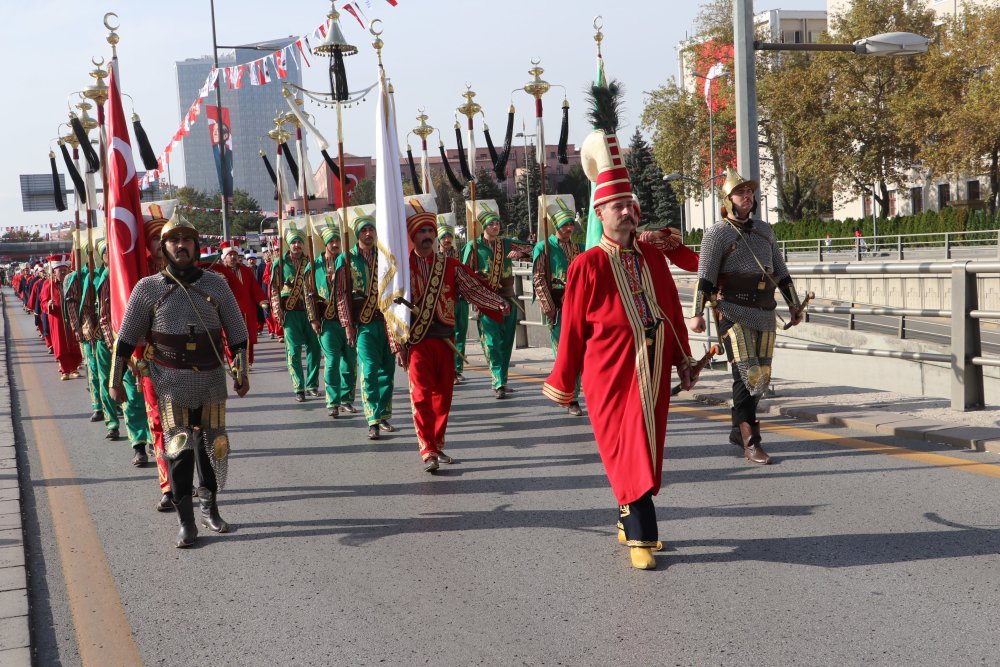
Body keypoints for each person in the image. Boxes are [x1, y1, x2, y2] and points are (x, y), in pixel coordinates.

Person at [544, 116, 694, 571]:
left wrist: (684, 359)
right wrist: (563, 381)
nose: (626, 212)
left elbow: (668, 306)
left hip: (653, 368)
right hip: (610, 374)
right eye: (616, 207)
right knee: (625, 446)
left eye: (629, 204)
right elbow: (571, 328)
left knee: (647, 447)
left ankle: (630, 513)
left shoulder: (651, 255)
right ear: (600, 214)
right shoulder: (586, 265)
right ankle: (642, 536)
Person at [110, 215, 249, 548]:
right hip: (170, 380)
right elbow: (126, 339)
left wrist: (241, 372)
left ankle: (210, 509)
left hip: (212, 379)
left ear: (196, 246)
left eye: (187, 240)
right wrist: (115, 380)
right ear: (164, 247)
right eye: (174, 240)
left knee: (212, 446)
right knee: (179, 448)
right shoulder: (148, 289)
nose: (181, 246)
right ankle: (186, 521)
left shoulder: (216, 284)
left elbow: (238, 333)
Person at [689, 167, 804, 466]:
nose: (747, 196)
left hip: (765, 310)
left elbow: (780, 271)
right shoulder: (717, 233)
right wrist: (697, 313)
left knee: (761, 377)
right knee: (747, 374)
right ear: (728, 199)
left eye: (749, 191)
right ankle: (751, 440)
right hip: (732, 310)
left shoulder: (765, 230)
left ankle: (735, 429)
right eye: (741, 192)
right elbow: (705, 277)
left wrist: (794, 305)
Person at [400, 197, 510, 472]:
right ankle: (427, 450)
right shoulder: (402, 269)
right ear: (413, 236)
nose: (426, 236)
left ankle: (436, 445)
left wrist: (498, 303)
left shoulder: (449, 265)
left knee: (443, 398)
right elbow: (389, 305)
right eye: (421, 232)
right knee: (422, 396)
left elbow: (473, 287)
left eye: (429, 232)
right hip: (419, 342)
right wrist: (397, 342)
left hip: (446, 340)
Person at [336, 207, 396, 440]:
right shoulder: (347, 258)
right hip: (363, 323)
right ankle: (372, 418)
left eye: (371, 229)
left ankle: (383, 415)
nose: (368, 233)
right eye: (364, 230)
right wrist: (347, 325)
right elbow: (341, 293)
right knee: (369, 370)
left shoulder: (385, 255)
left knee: (387, 370)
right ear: (357, 234)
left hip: (387, 321)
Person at [95, 239, 152, 464]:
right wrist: (123, 353)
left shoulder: (152, 274)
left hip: (157, 351)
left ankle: (155, 440)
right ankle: (138, 444)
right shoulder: (107, 280)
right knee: (133, 401)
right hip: (126, 351)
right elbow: (105, 320)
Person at [461, 200, 521, 399]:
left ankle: (503, 379)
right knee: (492, 343)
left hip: (508, 299)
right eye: (491, 224)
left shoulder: (506, 243)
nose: (495, 227)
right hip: (487, 302)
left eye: (497, 223)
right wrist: (475, 275)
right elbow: (463, 273)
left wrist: (520, 252)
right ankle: (497, 381)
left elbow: (534, 250)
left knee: (506, 343)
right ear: (483, 227)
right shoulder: (473, 246)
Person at [532, 194, 584, 416]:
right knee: (564, 352)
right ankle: (570, 397)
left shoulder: (578, 248)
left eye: (571, 224)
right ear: (556, 226)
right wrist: (549, 308)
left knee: (580, 352)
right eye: (565, 225)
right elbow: (539, 279)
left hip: (578, 307)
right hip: (558, 306)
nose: (569, 228)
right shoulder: (543, 247)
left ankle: (574, 394)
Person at [270, 225, 321, 402]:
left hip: (310, 311)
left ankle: (312, 384)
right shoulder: (279, 263)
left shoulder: (310, 262)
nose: (297, 245)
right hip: (290, 312)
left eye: (299, 242)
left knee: (314, 348)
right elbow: (274, 289)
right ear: (289, 245)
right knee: (293, 351)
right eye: (294, 242)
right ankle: (298, 387)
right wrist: (278, 311)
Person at [313, 220, 358, 417]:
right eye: (331, 241)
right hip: (327, 321)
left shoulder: (347, 262)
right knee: (332, 361)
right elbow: (309, 293)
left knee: (349, 361)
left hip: (348, 320)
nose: (335, 245)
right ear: (325, 243)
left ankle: (347, 399)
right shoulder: (314, 266)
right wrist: (313, 318)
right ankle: (333, 401)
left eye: (337, 241)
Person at [220, 240, 267, 367]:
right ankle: (233, 362)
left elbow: (255, 288)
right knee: (229, 337)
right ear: (224, 258)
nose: (233, 257)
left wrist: (262, 300)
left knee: (247, 337)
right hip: (227, 311)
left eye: (235, 254)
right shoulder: (219, 273)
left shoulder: (246, 271)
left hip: (246, 310)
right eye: (230, 255)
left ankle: (247, 361)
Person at [436, 213, 468, 385]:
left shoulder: (460, 255)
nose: (447, 240)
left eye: (449, 236)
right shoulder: (434, 258)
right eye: (444, 237)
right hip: (442, 302)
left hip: (460, 300)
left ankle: (457, 368)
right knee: (445, 336)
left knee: (460, 335)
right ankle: (447, 368)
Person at [40, 254, 82, 380]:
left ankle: (74, 368)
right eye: (60, 271)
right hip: (57, 319)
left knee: (74, 342)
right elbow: (42, 301)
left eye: (65, 270)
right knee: (61, 345)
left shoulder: (72, 282)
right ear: (54, 272)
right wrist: (48, 304)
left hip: (72, 317)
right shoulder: (48, 285)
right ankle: (64, 370)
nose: (63, 272)